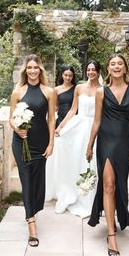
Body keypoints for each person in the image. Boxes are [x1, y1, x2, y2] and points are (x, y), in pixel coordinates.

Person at [86, 54, 129, 256]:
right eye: (113, 64)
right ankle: (111, 235)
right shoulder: (101, 92)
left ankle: (117, 216)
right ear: (107, 69)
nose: (116, 67)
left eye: (120, 64)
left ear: (125, 68)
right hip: (106, 141)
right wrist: (90, 144)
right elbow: (97, 121)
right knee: (108, 183)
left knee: (119, 184)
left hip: (125, 141)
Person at [9, 54, 55, 247]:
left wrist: (51, 143)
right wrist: (17, 129)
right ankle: (31, 224)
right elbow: (11, 118)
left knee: (37, 183)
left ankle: (32, 209)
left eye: (36, 67)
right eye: (29, 68)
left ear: (40, 70)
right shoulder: (17, 92)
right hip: (21, 143)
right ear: (25, 70)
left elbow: (52, 118)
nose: (33, 71)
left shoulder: (49, 92)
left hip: (40, 142)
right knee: (26, 180)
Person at [47, 60, 102, 217]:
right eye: (88, 70)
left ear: (99, 72)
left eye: (93, 70)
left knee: (92, 161)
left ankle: (92, 198)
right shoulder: (79, 87)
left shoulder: (103, 90)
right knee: (75, 158)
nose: (90, 72)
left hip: (95, 127)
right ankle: (73, 191)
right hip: (79, 126)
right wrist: (60, 127)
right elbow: (72, 110)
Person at [45, 65, 76, 201]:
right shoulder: (56, 90)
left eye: (70, 75)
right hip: (60, 124)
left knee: (72, 155)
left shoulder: (76, 89)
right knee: (59, 156)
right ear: (62, 75)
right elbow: (54, 108)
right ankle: (59, 185)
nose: (68, 78)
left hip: (73, 124)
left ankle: (71, 184)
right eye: (66, 75)